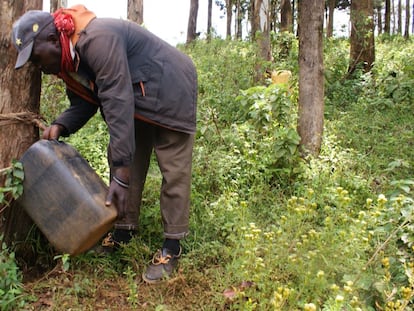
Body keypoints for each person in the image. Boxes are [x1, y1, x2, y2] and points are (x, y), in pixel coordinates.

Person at [11, 5, 197, 284]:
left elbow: (116, 97)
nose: (39, 67)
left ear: (52, 39)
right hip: (138, 94)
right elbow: (85, 101)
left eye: (37, 58)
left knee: (173, 169)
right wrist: (62, 125)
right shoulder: (66, 59)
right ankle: (123, 231)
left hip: (172, 88)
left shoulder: (97, 39)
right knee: (125, 160)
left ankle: (172, 245)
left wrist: (119, 173)